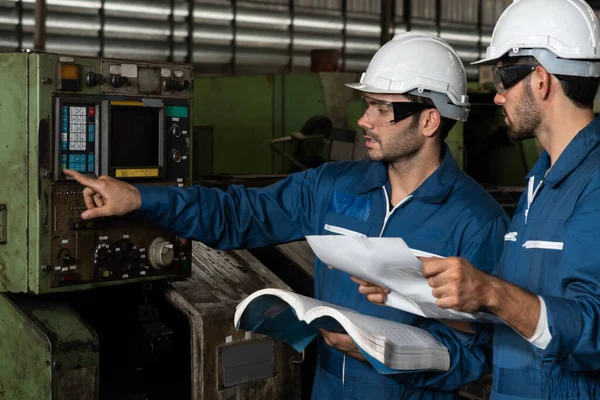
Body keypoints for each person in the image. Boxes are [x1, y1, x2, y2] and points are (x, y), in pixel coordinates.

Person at [64, 32, 509, 399]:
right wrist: (142, 199)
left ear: (429, 121)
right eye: (367, 104)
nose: (364, 120)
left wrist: (383, 354)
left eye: (381, 108)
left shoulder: (477, 222)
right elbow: (238, 213)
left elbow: (480, 353)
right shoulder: (331, 187)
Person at [361, 1, 600, 398]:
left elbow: (593, 330)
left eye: (503, 80)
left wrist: (490, 290)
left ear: (540, 80)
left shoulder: (593, 182)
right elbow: (516, 313)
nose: (498, 97)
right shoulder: (539, 184)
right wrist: (412, 291)